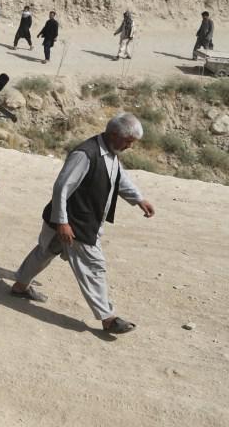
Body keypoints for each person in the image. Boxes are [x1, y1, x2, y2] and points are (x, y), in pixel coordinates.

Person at [10, 113, 156, 335]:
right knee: (93, 266)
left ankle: (20, 286)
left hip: (74, 220)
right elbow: (62, 187)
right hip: (75, 223)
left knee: (45, 252)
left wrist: (138, 199)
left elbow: (118, 177)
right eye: (128, 141)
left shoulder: (109, 152)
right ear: (114, 134)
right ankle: (108, 318)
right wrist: (62, 222)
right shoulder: (85, 154)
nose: (129, 147)